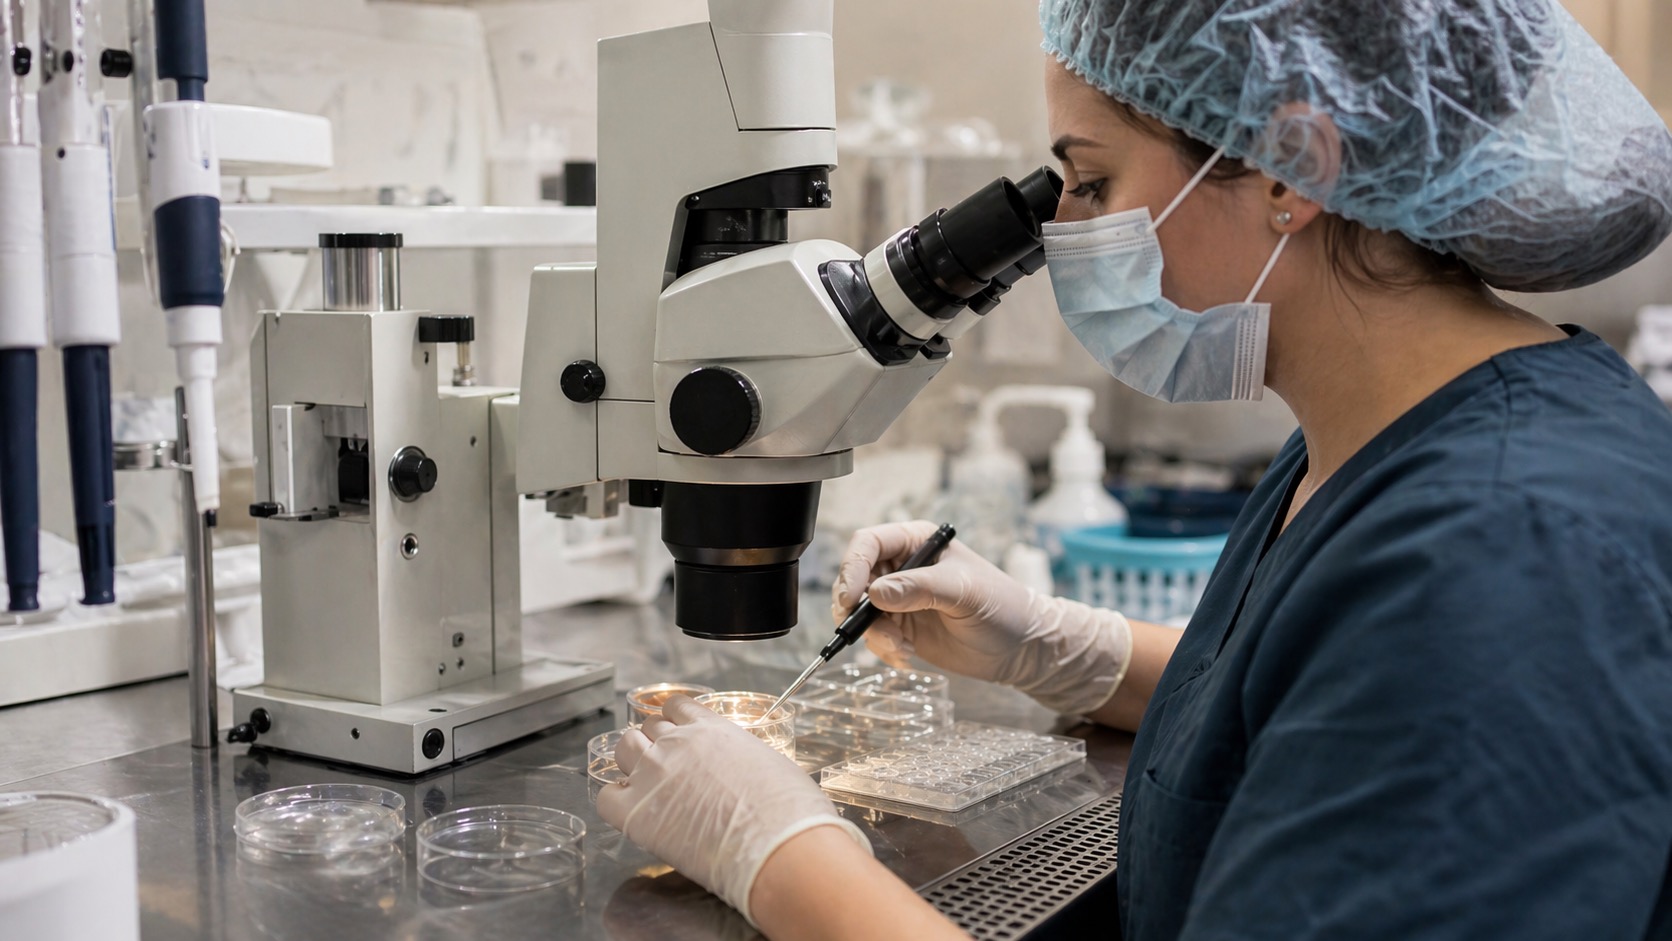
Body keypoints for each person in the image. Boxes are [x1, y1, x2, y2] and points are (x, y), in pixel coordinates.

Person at [597, 1, 1672, 937]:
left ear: (1291, 166)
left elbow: (1430, 672)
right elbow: (1338, 706)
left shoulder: (1503, 552)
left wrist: (781, 854)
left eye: (1091, 180)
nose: (1062, 229)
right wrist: (1058, 646)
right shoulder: (1387, 434)